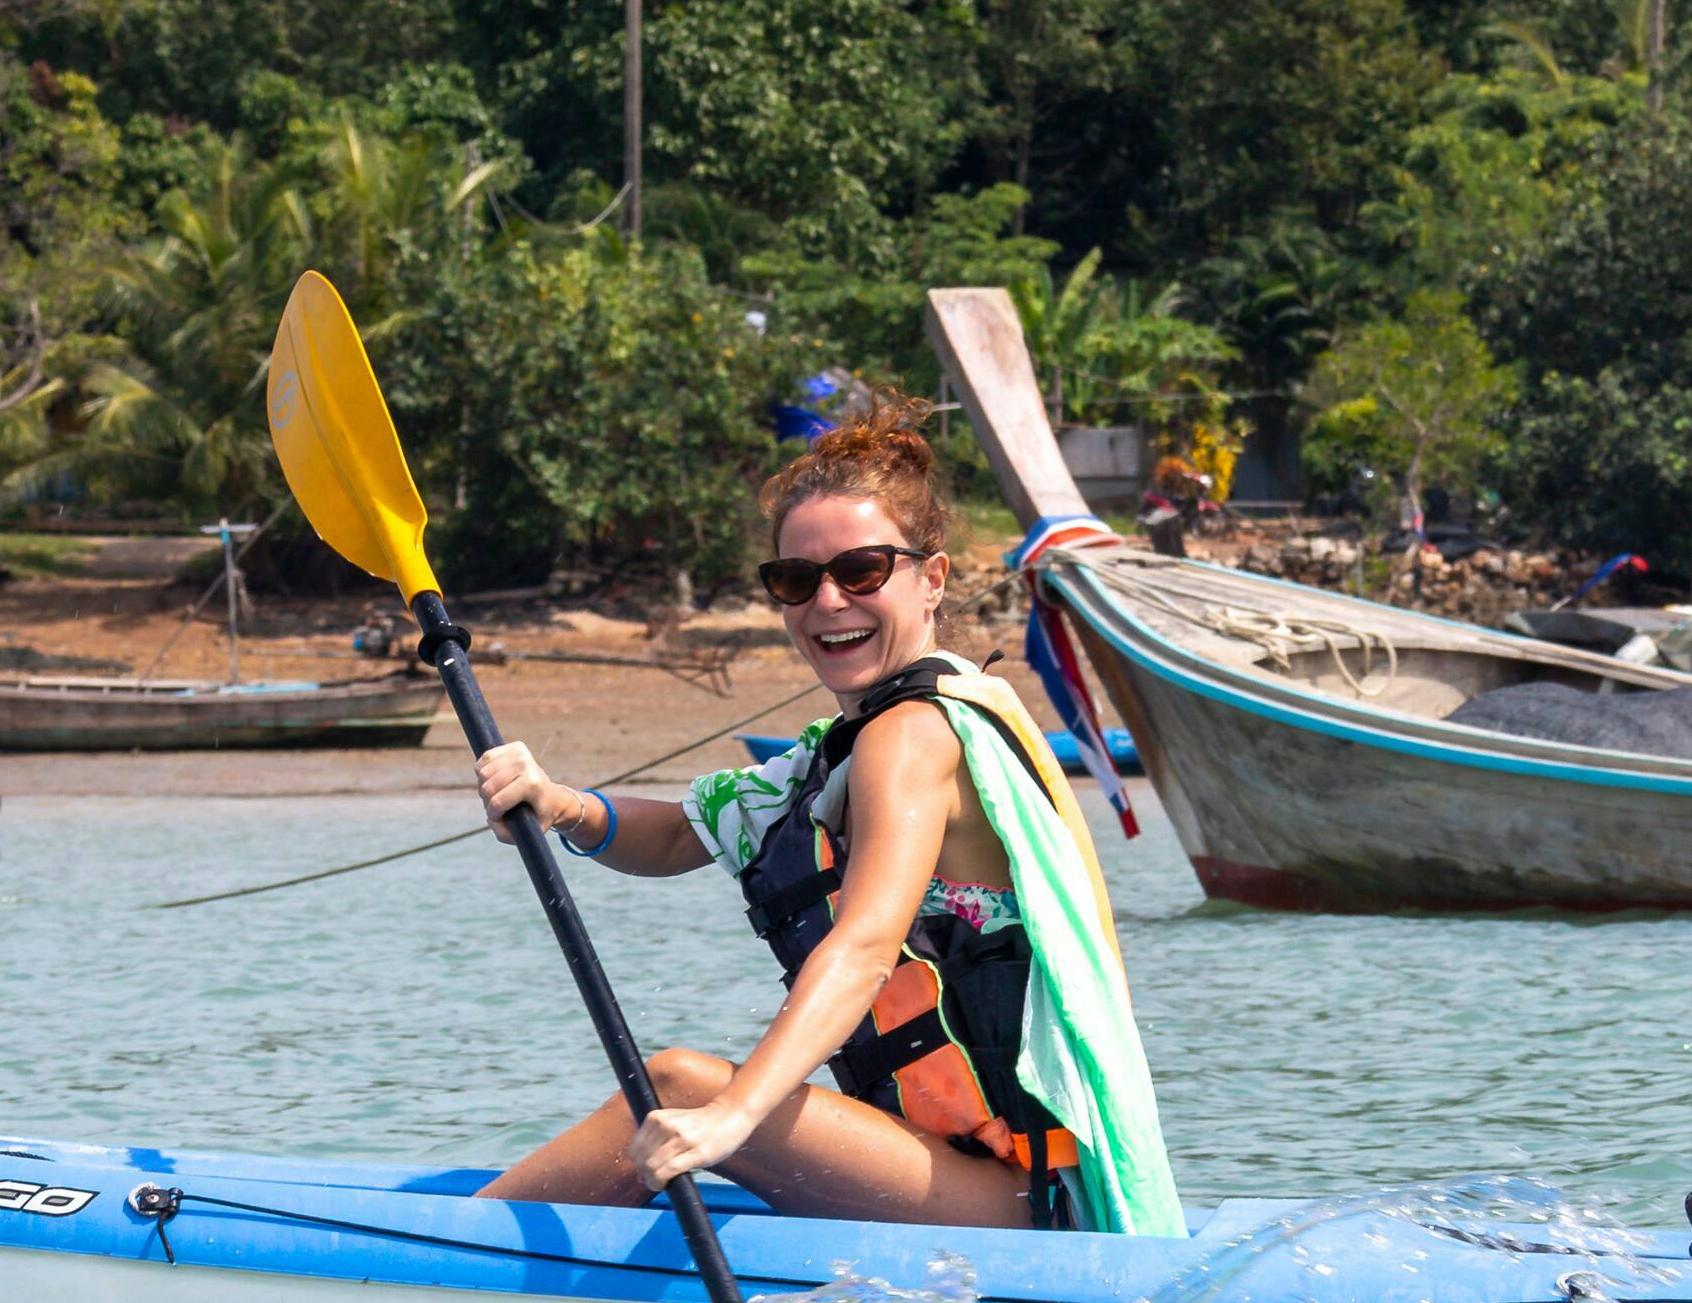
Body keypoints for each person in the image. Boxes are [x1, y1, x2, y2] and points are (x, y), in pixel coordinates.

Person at [464, 402, 1182, 1236]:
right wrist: (558, 806)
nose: (828, 601)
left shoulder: (912, 736)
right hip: (952, 1172)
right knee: (683, 1099)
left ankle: (428, 1276)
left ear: (934, 578)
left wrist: (731, 1116)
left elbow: (867, 947)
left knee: (680, 1089)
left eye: (864, 570)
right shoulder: (845, 746)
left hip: (1021, 1201)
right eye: (796, 581)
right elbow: (673, 835)